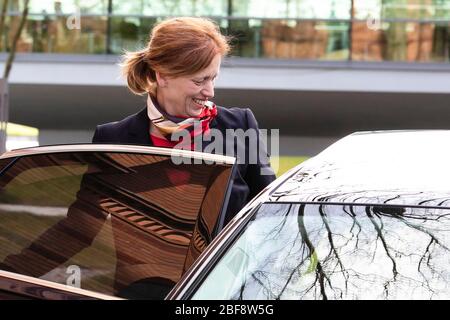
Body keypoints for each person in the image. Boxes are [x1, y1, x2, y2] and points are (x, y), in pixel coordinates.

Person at [92, 17, 276, 224]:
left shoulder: (241, 125)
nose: (210, 92)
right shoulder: (112, 139)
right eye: (199, 80)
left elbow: (270, 214)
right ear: (162, 76)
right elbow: (84, 223)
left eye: (213, 78)